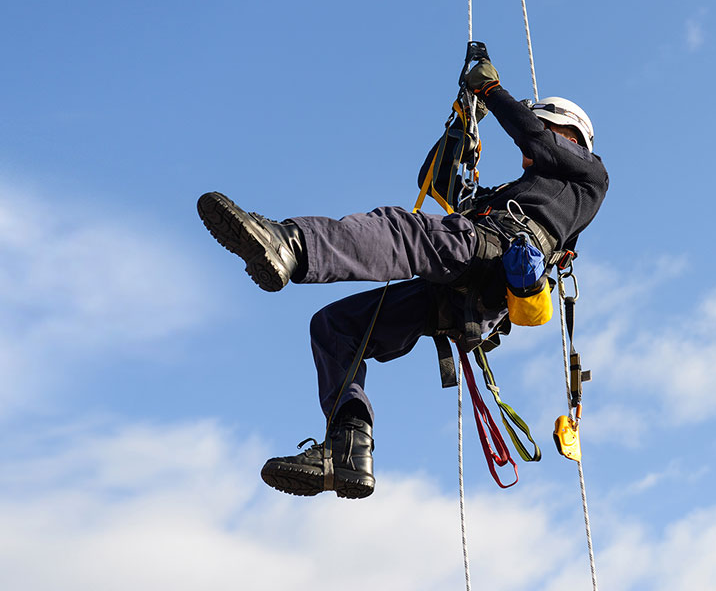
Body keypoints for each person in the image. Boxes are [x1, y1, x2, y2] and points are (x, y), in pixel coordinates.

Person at [197, 56, 609, 499]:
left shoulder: (589, 175)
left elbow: (534, 137)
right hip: (462, 290)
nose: (528, 148)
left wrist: (490, 90)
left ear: (569, 136)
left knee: (401, 230)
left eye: (543, 129)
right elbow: (440, 184)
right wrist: (462, 125)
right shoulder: (518, 192)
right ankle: (348, 449)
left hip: (488, 255)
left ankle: (292, 245)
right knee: (335, 327)